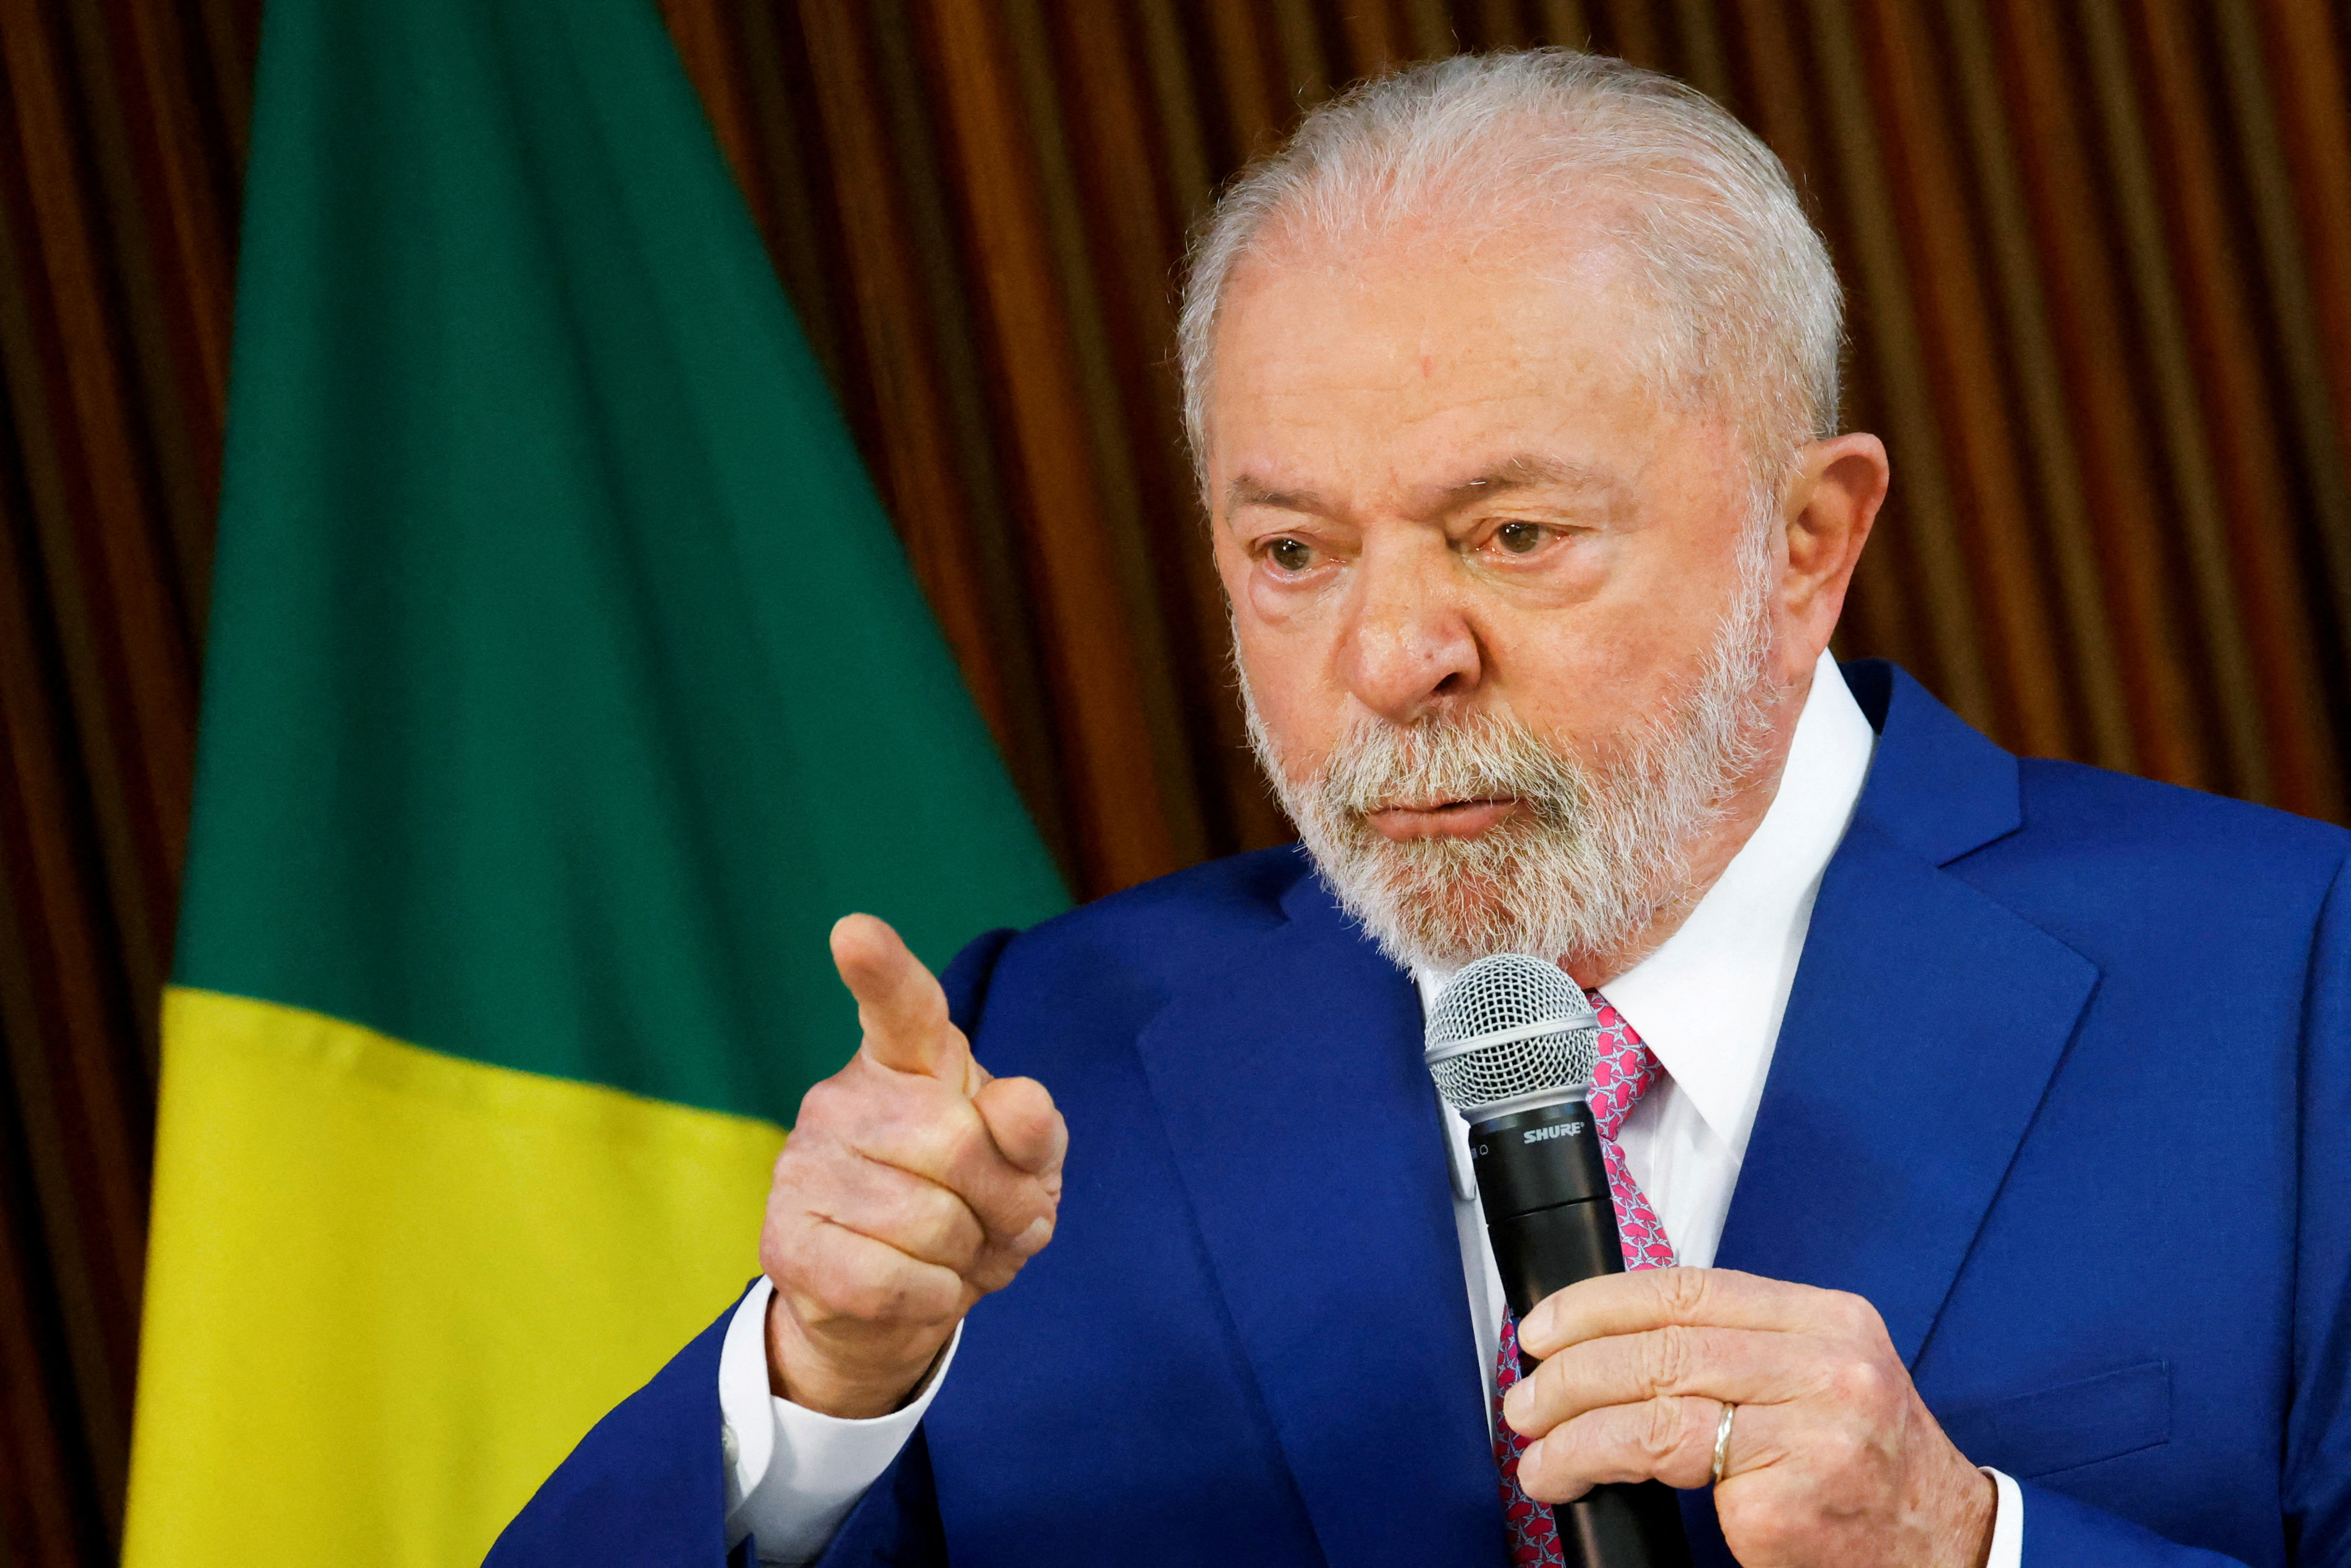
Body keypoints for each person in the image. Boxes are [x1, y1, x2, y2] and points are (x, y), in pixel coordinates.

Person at [490, 50, 2350, 1568]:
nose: (1392, 656)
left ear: (1811, 541)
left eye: (1513, 535)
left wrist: (1979, 1547)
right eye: (1292, 549)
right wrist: (815, 1385)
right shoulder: (1035, 1060)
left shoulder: (2298, 989)